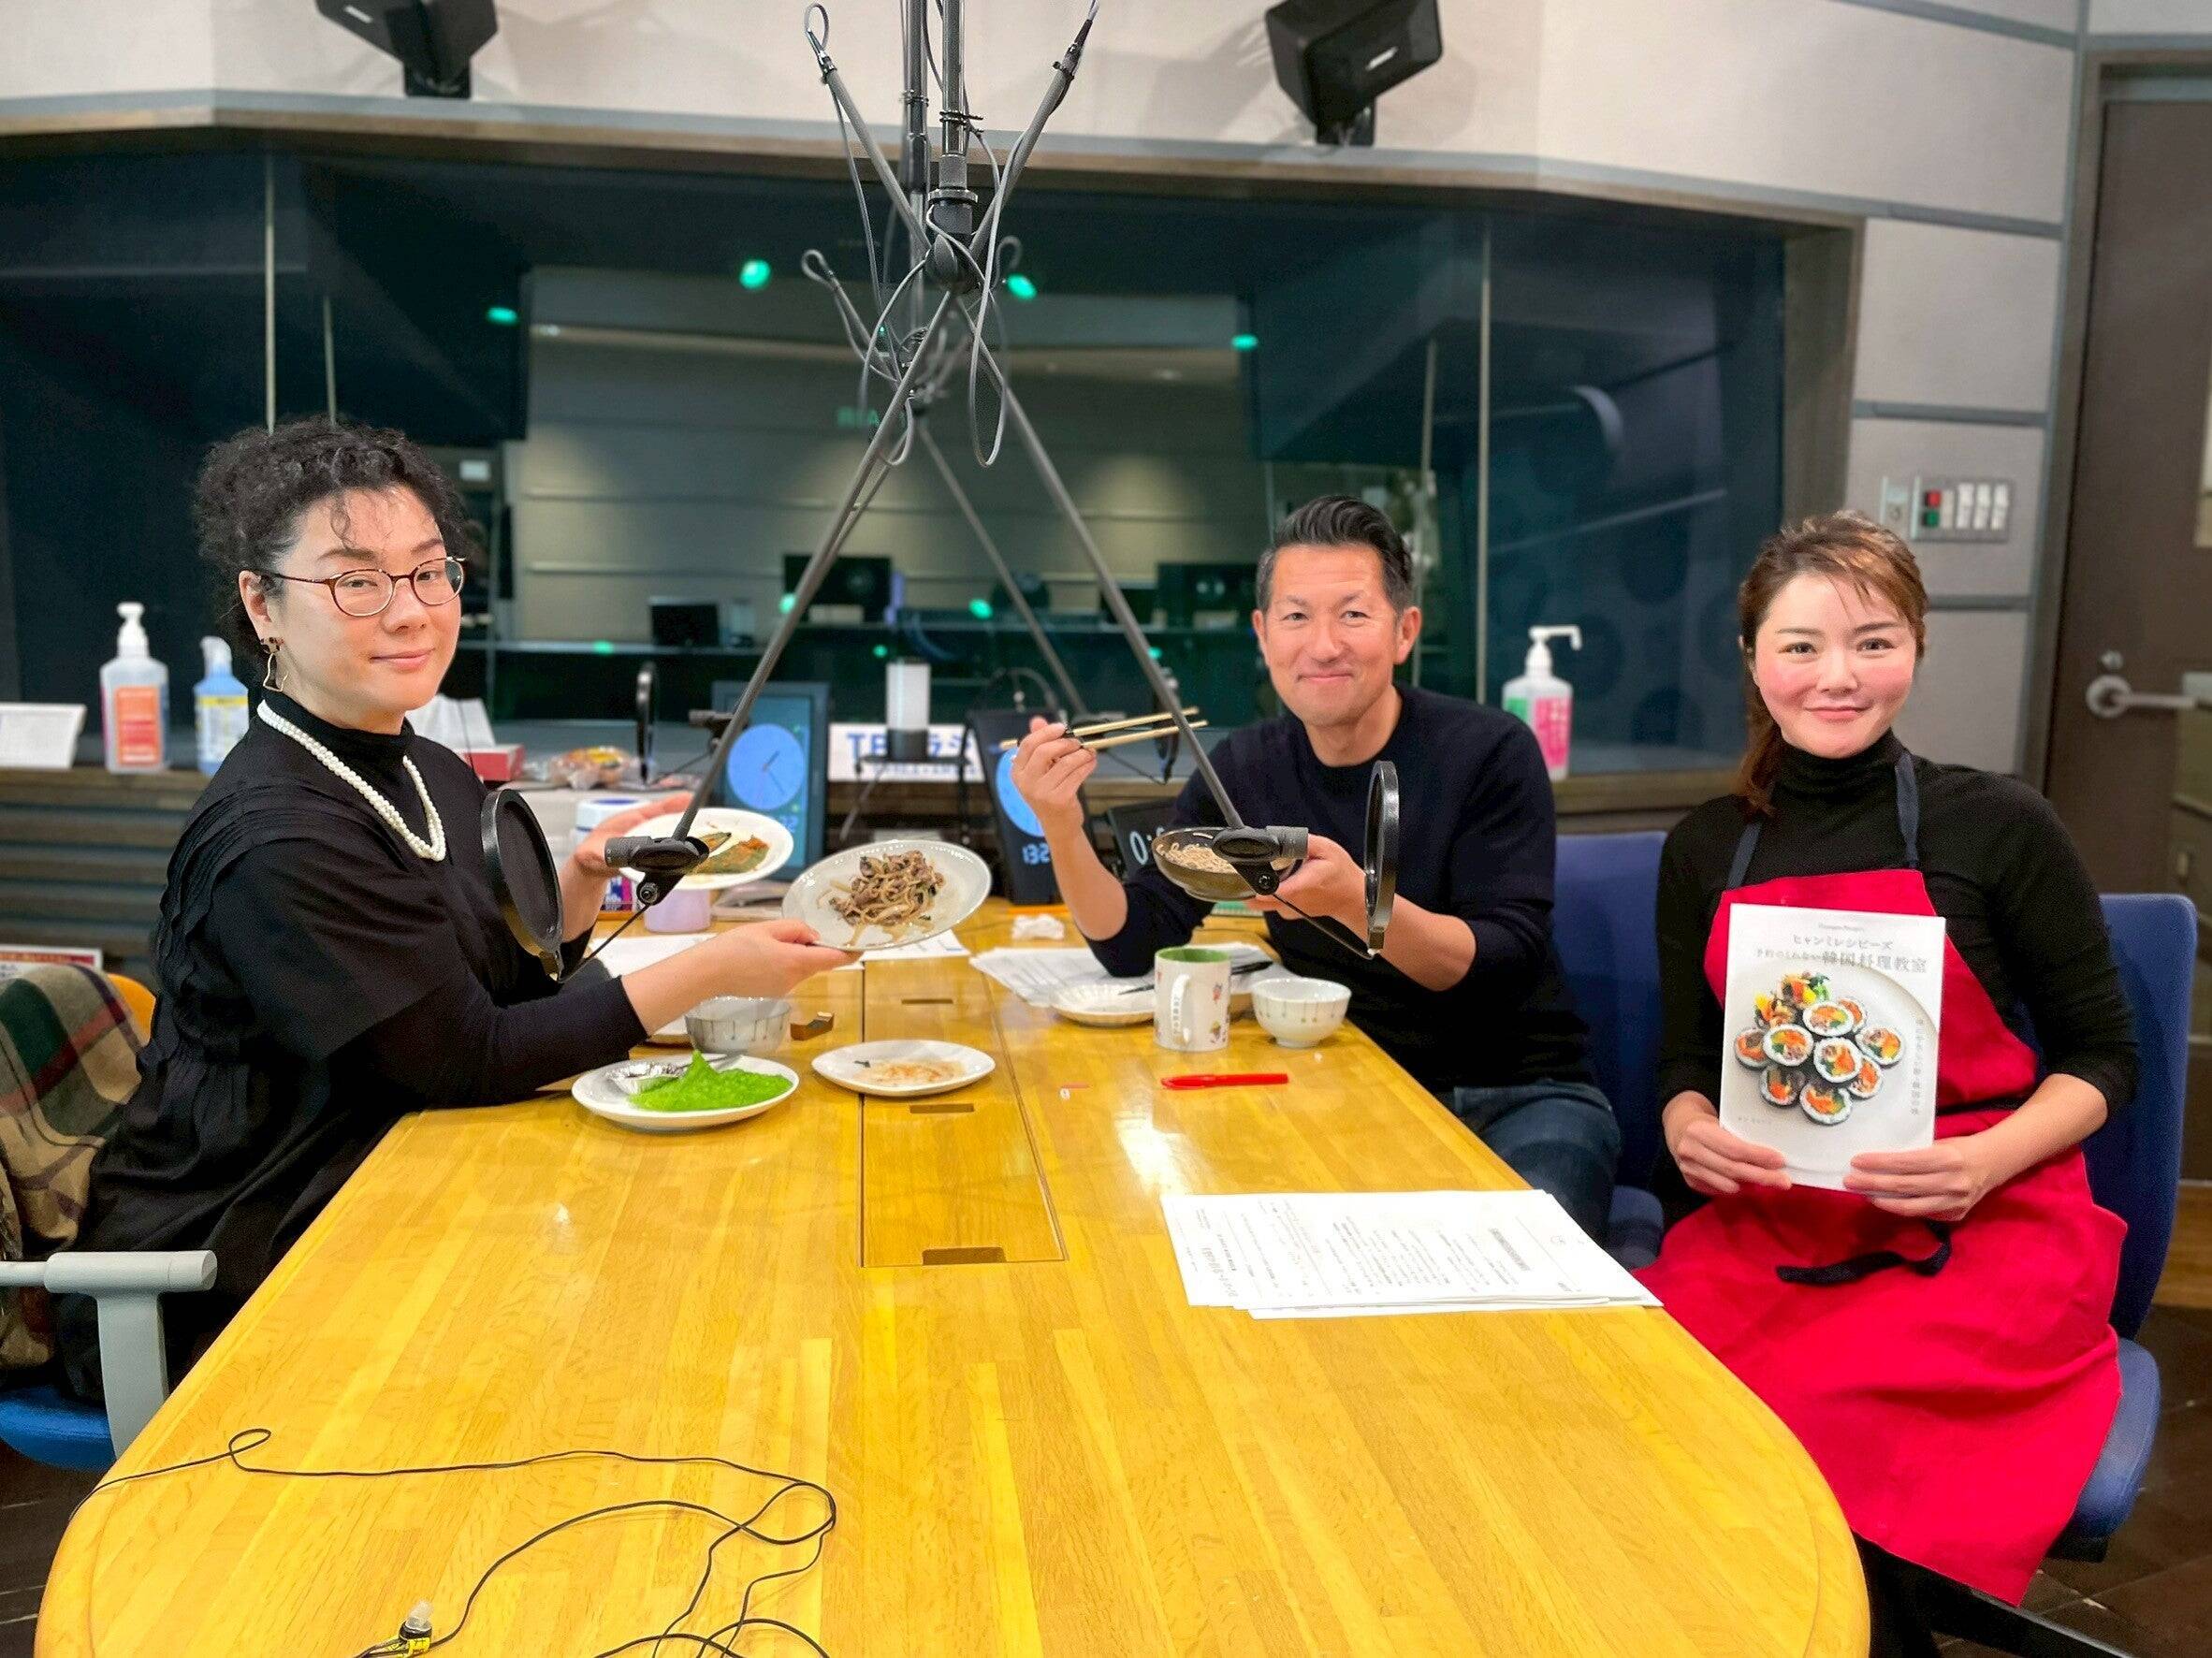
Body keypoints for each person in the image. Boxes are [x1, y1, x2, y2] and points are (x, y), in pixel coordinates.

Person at [56, 418, 851, 1400]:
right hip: (242, 1247)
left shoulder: (421, 762)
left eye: (431, 572)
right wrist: (711, 967)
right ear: (261, 604)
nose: (410, 611)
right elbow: (467, 1057)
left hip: (395, 1175)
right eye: (357, 579)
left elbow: (497, 985)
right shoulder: (278, 835)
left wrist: (581, 882)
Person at [1638, 512, 2135, 1651]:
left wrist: (1985, 1159)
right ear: (1754, 658)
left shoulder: (1999, 821)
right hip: (1775, 1217)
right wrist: (1687, 1121)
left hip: (1981, 1215)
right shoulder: (1708, 845)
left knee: (1828, 1446)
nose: (1837, 676)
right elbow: (1681, 1058)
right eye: (1801, 644)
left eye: (1872, 641)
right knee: (1661, 1412)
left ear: (1915, 646)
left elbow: (2106, 1058)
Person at [1010, 496, 1616, 1237]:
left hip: (1514, 1093)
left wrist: (1359, 905)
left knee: (1530, 1277)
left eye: (1353, 616)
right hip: (1350, 1081)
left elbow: (1500, 963)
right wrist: (1062, 825)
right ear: (1264, 636)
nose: (1323, 645)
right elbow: (1134, 942)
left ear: (1404, 632)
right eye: (1296, 617)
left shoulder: (1489, 751)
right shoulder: (1241, 771)